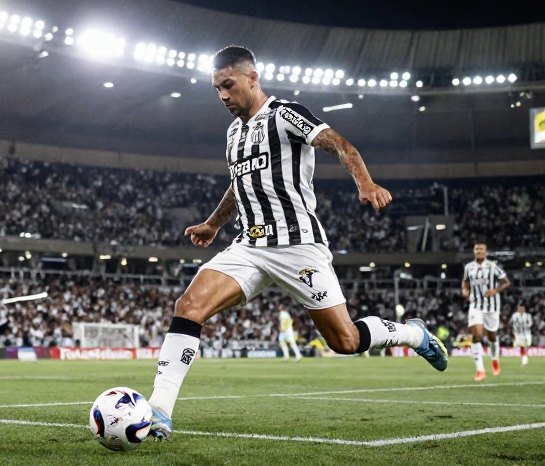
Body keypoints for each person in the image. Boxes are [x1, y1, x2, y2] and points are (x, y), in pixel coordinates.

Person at [147, 46, 447, 440]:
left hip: (298, 245)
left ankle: (414, 334)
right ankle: (159, 412)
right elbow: (239, 185)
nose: (222, 95)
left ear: (252, 78)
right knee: (188, 306)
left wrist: (365, 183)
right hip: (249, 247)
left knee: (345, 341)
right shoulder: (234, 133)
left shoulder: (285, 114)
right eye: (216, 88)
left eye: (228, 85)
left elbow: (339, 143)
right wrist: (213, 223)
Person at [461, 239, 511, 381]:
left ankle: (494, 359)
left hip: (492, 306)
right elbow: (465, 281)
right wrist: (465, 290)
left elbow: (506, 282)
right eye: (477, 249)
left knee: (492, 337)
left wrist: (495, 290)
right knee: (476, 334)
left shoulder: (493, 266)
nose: (479, 251)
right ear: (474, 251)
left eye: (481, 249)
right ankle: (480, 370)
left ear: (486, 252)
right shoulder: (469, 267)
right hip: (475, 305)